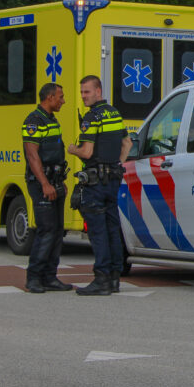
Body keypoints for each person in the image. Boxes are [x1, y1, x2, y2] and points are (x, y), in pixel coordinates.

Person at [67, 75, 132, 296]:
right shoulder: (114, 113)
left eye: (87, 92)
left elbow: (87, 152)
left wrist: (72, 149)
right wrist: (117, 165)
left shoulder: (91, 117)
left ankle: (101, 279)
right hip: (113, 180)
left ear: (98, 91)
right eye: (81, 92)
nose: (83, 96)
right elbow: (127, 143)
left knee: (98, 232)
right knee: (113, 229)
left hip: (95, 183)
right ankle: (114, 279)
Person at [21, 83, 71, 293]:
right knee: (46, 229)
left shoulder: (52, 120)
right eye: (60, 97)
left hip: (55, 181)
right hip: (42, 183)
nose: (63, 101)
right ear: (50, 97)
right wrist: (44, 183)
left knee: (57, 230)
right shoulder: (34, 121)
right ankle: (34, 278)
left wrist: (59, 181)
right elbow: (32, 156)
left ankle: (50, 277)